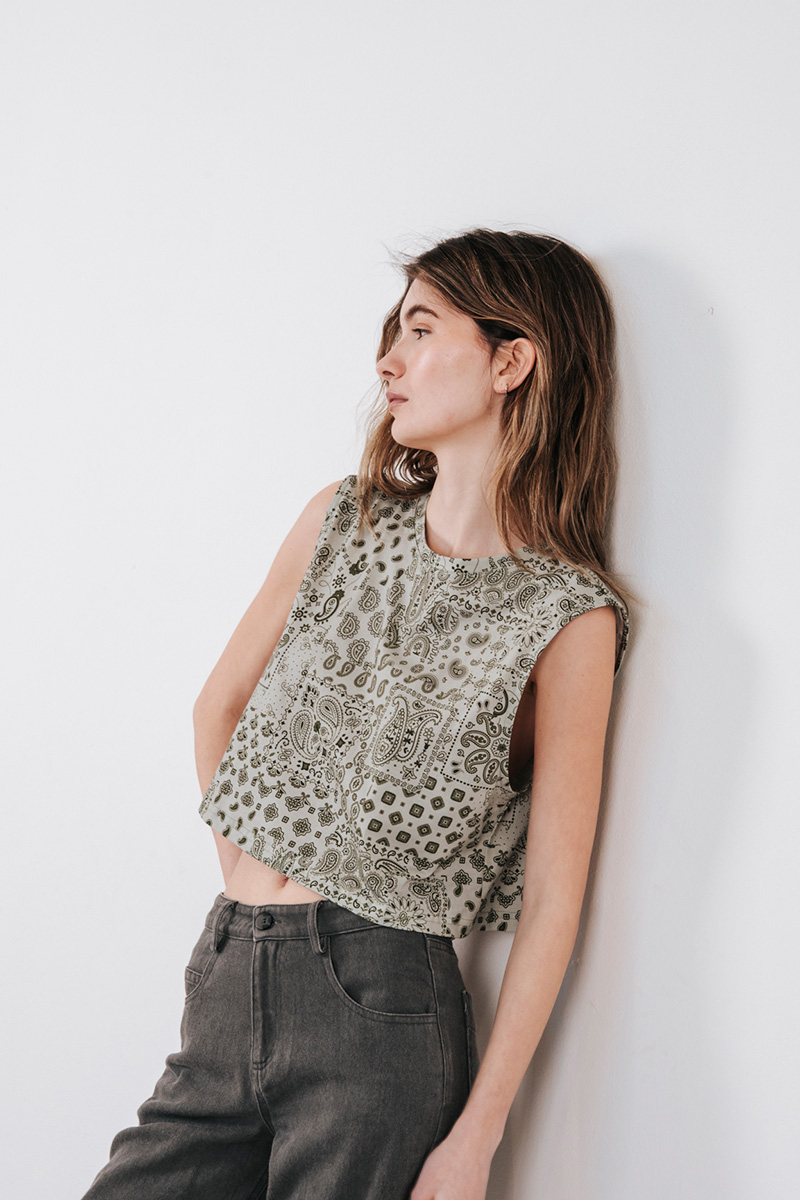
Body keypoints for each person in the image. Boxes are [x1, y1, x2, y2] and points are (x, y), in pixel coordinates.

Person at [80, 227, 633, 1200]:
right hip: (228, 971)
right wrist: (256, 887)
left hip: (378, 1010)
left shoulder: (565, 615)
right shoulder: (342, 519)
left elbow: (553, 900)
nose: (388, 361)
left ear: (511, 362)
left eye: (421, 329)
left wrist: (476, 1139)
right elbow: (217, 705)